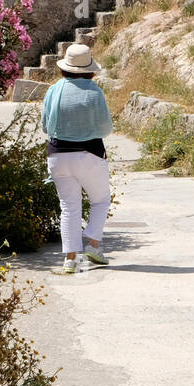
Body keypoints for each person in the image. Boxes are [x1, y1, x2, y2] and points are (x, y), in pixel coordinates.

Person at [40, 44, 114, 274]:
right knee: (100, 200)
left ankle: (70, 260)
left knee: (69, 208)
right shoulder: (94, 91)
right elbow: (106, 128)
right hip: (89, 154)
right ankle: (92, 243)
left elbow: (45, 126)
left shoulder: (53, 90)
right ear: (89, 69)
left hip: (57, 156)